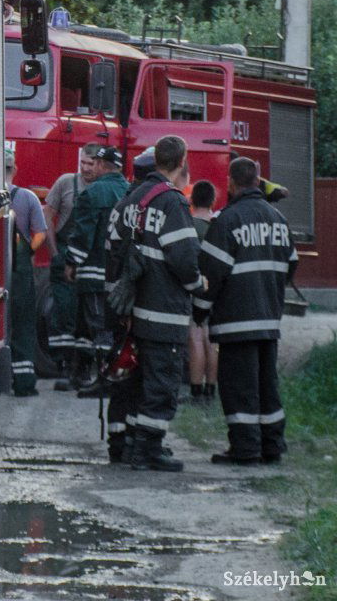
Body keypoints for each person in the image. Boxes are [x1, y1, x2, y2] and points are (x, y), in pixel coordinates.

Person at [196, 158, 298, 466]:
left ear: (231, 182)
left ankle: (245, 449)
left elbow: (211, 272)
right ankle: (272, 445)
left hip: (236, 321)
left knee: (239, 387)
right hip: (269, 318)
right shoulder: (278, 218)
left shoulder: (227, 220)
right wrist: (270, 288)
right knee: (267, 385)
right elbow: (292, 262)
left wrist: (200, 310)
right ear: (257, 182)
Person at [127, 135, 204, 472]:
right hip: (165, 310)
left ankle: (137, 445)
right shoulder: (172, 202)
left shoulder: (135, 198)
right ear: (182, 161)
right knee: (162, 383)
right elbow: (185, 258)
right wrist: (198, 284)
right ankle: (148, 451)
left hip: (138, 309)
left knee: (143, 381)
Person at [102, 146, 161, 463]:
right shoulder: (145, 206)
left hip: (113, 304)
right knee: (139, 374)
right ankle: (134, 442)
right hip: (137, 305)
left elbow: (110, 255)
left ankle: (117, 442)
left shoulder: (122, 205)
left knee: (119, 370)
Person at [65, 146, 129, 395]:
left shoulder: (92, 193)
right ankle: (86, 374)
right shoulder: (129, 192)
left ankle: (102, 379)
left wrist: (72, 261)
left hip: (93, 273)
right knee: (102, 327)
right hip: (120, 275)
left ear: (101, 165)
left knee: (97, 327)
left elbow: (83, 233)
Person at [44, 144, 98, 378]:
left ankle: (83, 367)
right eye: (82, 162)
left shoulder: (102, 188)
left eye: (90, 163)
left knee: (87, 315)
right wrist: (55, 253)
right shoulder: (66, 183)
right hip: (64, 255)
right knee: (63, 312)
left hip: (91, 261)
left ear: (100, 164)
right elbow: (47, 215)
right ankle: (63, 366)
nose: (85, 168)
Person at [4, 151, 47, 397]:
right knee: (22, 324)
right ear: (15, 169)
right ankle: (23, 382)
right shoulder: (28, 197)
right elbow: (40, 233)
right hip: (19, 270)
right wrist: (28, 251)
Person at [187, 180, 218, 404]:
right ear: (212, 200)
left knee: (196, 337)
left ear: (191, 199)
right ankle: (211, 389)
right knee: (212, 340)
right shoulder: (218, 226)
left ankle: (196, 391)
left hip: (196, 288)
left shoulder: (189, 226)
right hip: (216, 289)